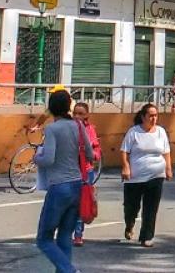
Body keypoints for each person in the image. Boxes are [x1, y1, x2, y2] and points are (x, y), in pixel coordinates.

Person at [33, 88, 93, 273]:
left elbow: (48, 159)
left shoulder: (52, 128)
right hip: (77, 184)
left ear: (51, 108)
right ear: (69, 107)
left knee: (44, 238)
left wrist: (36, 157)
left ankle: (69, 270)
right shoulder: (79, 125)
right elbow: (90, 154)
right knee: (65, 235)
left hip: (59, 185)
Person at [120, 102, 172, 249]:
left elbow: (166, 152)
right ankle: (129, 224)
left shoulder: (161, 132)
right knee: (131, 207)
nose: (153, 119)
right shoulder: (134, 132)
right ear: (143, 117)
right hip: (135, 176)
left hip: (156, 174)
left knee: (151, 207)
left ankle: (147, 236)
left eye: (155, 116)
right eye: (150, 116)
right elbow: (124, 151)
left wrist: (168, 168)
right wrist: (126, 167)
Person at [71, 102, 101, 248]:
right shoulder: (68, 129)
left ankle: (78, 235)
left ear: (87, 115)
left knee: (81, 205)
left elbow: (96, 152)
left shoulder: (90, 130)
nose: (77, 116)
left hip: (85, 171)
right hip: (69, 171)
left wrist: (91, 154)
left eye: (80, 114)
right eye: (75, 113)